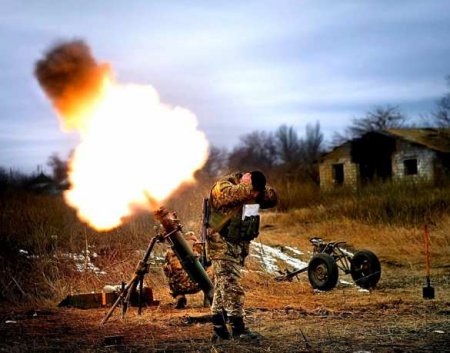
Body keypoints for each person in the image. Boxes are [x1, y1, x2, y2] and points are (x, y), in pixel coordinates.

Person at [207, 170, 277, 341]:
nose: (253, 194)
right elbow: (228, 196)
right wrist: (248, 189)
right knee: (231, 286)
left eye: (255, 191)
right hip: (221, 244)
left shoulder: (253, 191)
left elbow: (272, 198)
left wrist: (257, 190)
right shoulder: (223, 186)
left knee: (223, 286)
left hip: (237, 245)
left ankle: (219, 327)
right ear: (243, 179)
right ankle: (238, 329)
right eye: (251, 189)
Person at [163, 231, 212, 309]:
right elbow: (207, 262)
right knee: (212, 269)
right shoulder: (197, 249)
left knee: (172, 273)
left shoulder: (169, 251)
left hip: (176, 286)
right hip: (194, 284)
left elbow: (166, 271)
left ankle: (179, 297)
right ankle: (209, 298)